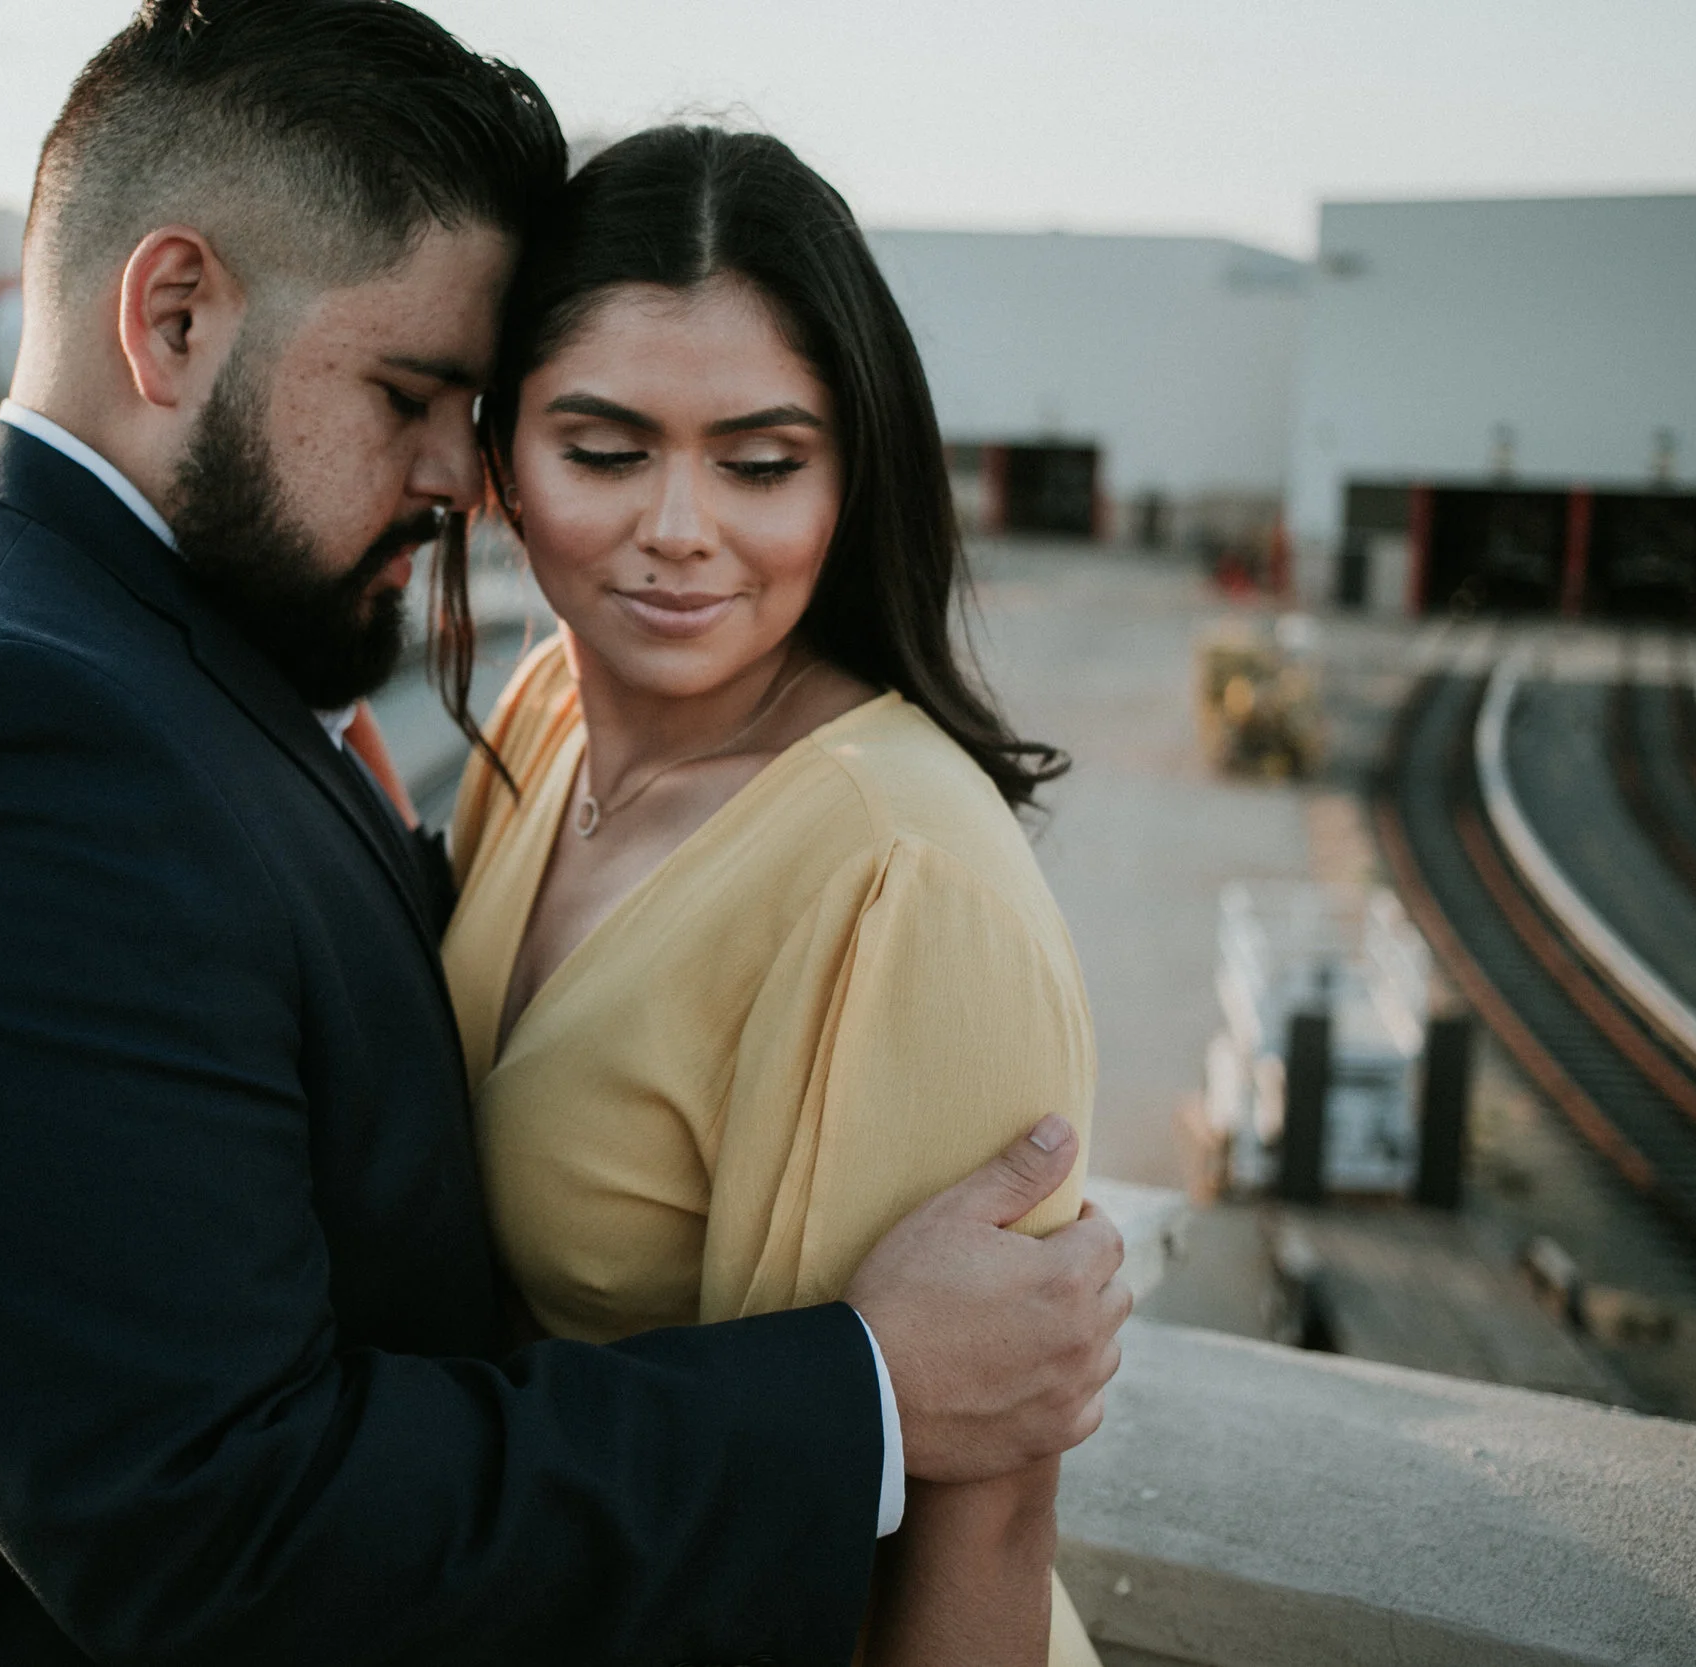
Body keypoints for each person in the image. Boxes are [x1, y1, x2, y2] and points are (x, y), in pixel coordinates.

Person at [0, 5, 1126, 1664]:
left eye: (760, 458)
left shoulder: (120, 655)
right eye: (416, 392)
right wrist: (860, 1390)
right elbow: (227, 1525)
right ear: (175, 315)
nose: (459, 473)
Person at [441, 127, 1105, 1665]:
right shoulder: (545, 713)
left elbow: (982, 1516)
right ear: (503, 463)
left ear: (852, 477)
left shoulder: (901, 879)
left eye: (759, 462)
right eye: (605, 451)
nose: (681, 528)